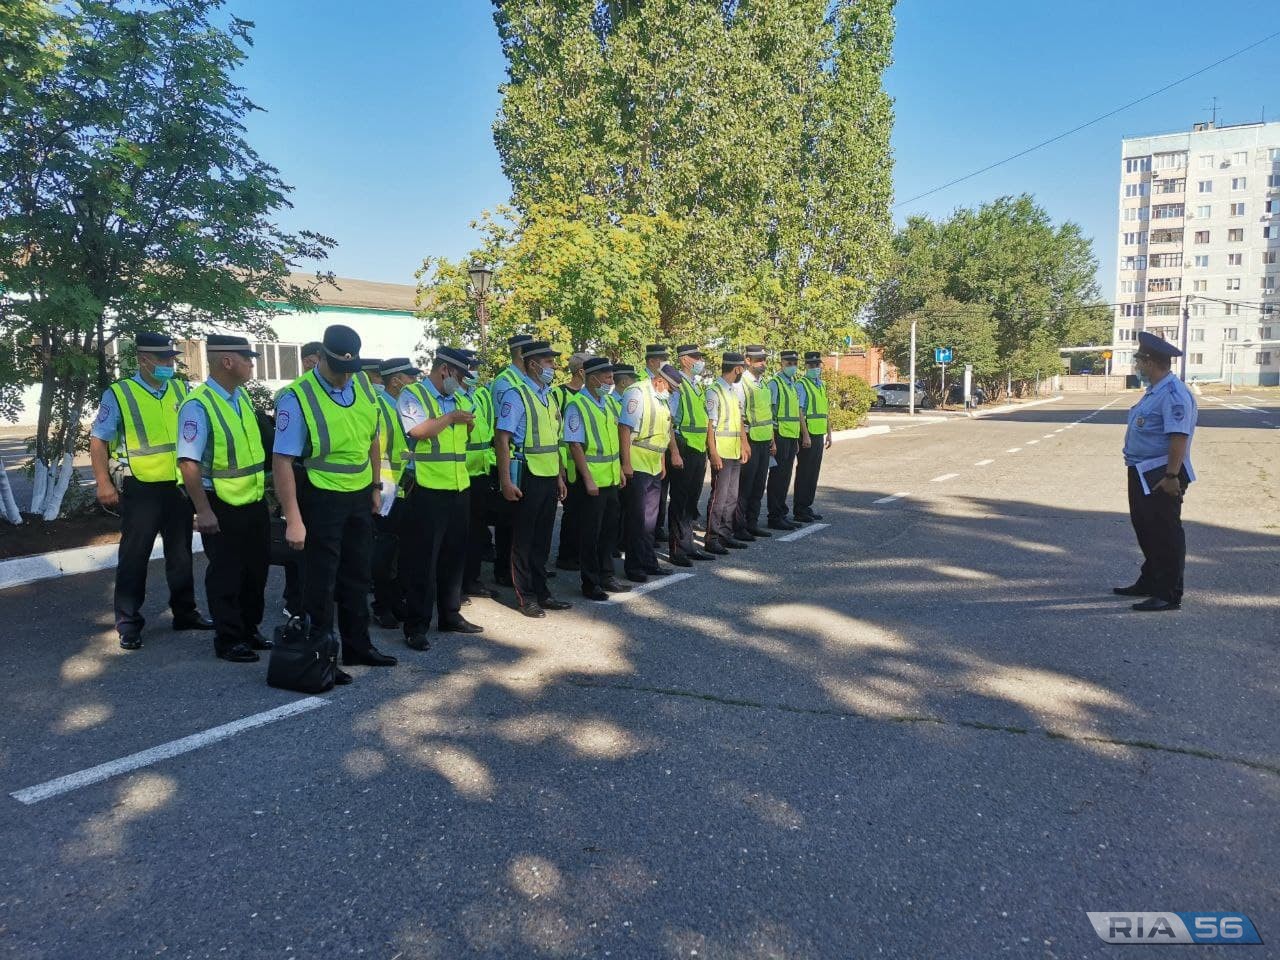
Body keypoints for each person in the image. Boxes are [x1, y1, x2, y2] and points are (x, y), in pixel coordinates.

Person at [273, 324, 398, 683]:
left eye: (351, 371)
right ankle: (321, 657)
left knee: (358, 576)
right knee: (321, 583)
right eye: (339, 371)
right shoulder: (298, 397)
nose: (345, 378)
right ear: (323, 358)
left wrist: (375, 485)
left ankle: (359, 647)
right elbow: (282, 460)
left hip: (359, 495)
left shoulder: (359, 385)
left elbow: (372, 438)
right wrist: (293, 518)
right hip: (321, 496)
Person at [90, 332, 212, 650]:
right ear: (143, 359)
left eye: (171, 358)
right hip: (140, 487)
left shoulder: (180, 389)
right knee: (135, 556)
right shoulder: (119, 394)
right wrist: (103, 482)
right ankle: (129, 623)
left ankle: (185, 613)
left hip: (177, 486)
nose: (169, 364)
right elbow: (99, 439)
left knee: (181, 554)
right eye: (162, 359)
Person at [176, 335, 273, 663]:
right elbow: (188, 462)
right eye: (247, 357)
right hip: (220, 502)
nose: (252, 363)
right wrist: (202, 510)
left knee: (256, 571)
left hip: (254, 500)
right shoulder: (198, 404)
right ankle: (229, 639)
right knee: (227, 573)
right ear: (226, 361)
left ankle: (249, 628)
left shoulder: (241, 397)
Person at [398, 347, 483, 648]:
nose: (462, 384)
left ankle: (450, 615)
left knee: (454, 556)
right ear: (445, 370)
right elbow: (418, 430)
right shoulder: (414, 395)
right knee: (423, 560)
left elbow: (467, 434)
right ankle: (416, 625)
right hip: (427, 488)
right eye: (459, 376)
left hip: (459, 487)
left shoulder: (459, 399)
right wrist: (452, 417)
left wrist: (466, 422)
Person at [1114, 332, 1198, 612]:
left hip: (1162, 474)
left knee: (1165, 532)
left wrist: (1172, 476)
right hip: (1143, 471)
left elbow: (1178, 437)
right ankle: (1150, 580)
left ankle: (1168, 592)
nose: (1137, 365)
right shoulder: (1156, 390)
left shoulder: (1173, 394)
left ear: (1150, 362)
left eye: (1139, 360)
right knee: (1146, 528)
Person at [495, 340, 573, 618]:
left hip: (549, 474)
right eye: (548, 362)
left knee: (542, 539)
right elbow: (502, 439)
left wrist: (561, 476)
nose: (553, 366)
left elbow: (556, 441)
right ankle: (525, 596)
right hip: (527, 473)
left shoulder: (549, 396)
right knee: (524, 539)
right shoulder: (516, 395)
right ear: (533, 364)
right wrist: (506, 480)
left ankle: (542, 592)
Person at [563, 357, 631, 600]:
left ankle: (606, 575)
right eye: (607, 377)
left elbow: (615, 439)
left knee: (608, 532)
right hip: (591, 481)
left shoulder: (610, 403)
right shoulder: (577, 404)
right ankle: (590, 583)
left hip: (611, 478)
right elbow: (574, 445)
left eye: (611, 377)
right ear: (592, 379)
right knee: (590, 534)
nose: (611, 382)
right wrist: (588, 479)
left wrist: (622, 468)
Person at [619, 360, 680, 582]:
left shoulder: (662, 397)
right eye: (671, 388)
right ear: (660, 381)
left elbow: (664, 430)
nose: (671, 393)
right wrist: (625, 463)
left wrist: (663, 460)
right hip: (637, 462)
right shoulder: (637, 393)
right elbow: (625, 429)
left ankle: (648, 562)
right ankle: (634, 567)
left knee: (651, 520)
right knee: (637, 519)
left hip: (654, 463)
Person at [369, 357, 419, 628]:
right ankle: (381, 604)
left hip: (406, 486)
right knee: (384, 551)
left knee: (402, 550)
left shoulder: (405, 407)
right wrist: (375, 487)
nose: (413, 381)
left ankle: (396, 598)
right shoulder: (378, 408)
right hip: (386, 488)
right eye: (409, 377)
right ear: (395, 380)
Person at [489, 333, 533, 587]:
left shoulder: (524, 381)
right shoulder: (506, 382)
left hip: (529, 459)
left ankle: (522, 567)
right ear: (521, 354)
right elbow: (503, 428)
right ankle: (505, 569)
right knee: (510, 519)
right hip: (513, 457)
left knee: (522, 521)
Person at [667, 344, 714, 566]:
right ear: (684, 360)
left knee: (690, 503)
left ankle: (688, 545)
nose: (699, 361)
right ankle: (677, 549)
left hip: (698, 449)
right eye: (695, 357)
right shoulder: (678, 385)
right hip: (685, 449)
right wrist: (675, 450)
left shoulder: (696, 385)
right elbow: (670, 420)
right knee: (679, 501)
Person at [704, 353, 752, 554]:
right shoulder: (714, 391)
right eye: (743, 368)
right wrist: (713, 453)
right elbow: (710, 425)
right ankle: (712, 537)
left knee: (732, 496)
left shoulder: (733, 391)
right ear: (737, 369)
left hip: (733, 450)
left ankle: (725, 534)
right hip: (721, 452)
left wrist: (744, 442)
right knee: (719, 497)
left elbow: (739, 420)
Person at [460, 355, 499, 600]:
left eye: (476, 368)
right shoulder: (452, 398)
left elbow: (491, 429)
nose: (474, 372)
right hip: (460, 471)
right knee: (460, 532)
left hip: (483, 470)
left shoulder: (481, 395)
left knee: (476, 530)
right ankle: (458, 582)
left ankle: (471, 579)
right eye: (470, 368)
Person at [553, 352, 591, 572]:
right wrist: (560, 467)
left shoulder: (590, 396)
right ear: (581, 372)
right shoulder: (559, 394)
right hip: (567, 463)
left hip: (588, 463)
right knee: (572, 512)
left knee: (585, 513)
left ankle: (579, 553)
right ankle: (566, 556)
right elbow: (556, 432)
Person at [735, 344, 775, 541]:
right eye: (758, 360)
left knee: (759, 486)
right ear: (748, 361)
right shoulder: (742, 384)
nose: (763, 363)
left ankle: (752, 523)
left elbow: (768, 414)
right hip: (750, 440)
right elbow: (739, 416)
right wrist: (744, 443)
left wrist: (772, 441)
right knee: (745, 487)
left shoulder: (763, 384)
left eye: (764, 360)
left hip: (764, 440)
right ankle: (739, 526)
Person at [766, 350, 810, 530]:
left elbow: (796, 413)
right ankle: (774, 516)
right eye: (788, 363)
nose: (792, 366)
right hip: (779, 435)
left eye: (794, 363)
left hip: (791, 436)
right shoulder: (775, 384)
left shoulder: (791, 384)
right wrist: (772, 440)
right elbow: (769, 412)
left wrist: (800, 436)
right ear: (781, 364)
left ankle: (782, 513)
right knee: (777, 478)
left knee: (785, 477)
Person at [793, 351, 831, 523]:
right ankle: (799, 509)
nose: (816, 368)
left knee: (813, 472)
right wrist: (805, 434)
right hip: (807, 434)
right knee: (805, 472)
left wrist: (829, 432)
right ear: (806, 366)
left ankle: (807, 506)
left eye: (818, 365)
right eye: (812, 365)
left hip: (819, 433)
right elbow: (800, 411)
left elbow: (825, 411)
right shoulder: (802, 385)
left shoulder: (821, 385)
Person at [643, 344, 673, 541]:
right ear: (652, 361)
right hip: (641, 458)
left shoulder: (662, 385)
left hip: (657, 453)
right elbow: (626, 429)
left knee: (657, 502)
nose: (665, 363)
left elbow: (665, 424)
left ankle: (655, 532)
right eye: (662, 359)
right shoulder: (642, 385)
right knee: (642, 511)